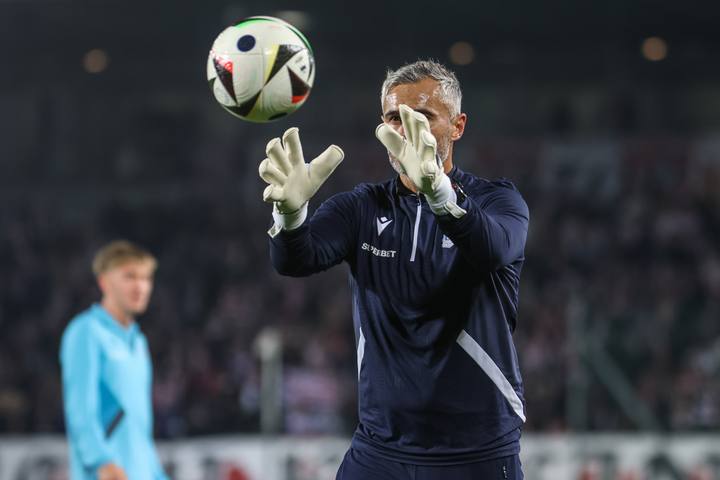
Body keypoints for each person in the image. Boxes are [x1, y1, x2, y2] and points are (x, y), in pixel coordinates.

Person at [258, 60, 529, 479]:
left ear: (457, 126)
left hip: (477, 453)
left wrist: (441, 194)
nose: (405, 129)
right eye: (394, 118)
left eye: (423, 116)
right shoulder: (361, 208)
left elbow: (491, 248)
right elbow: (294, 260)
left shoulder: (499, 201)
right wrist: (290, 218)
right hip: (379, 450)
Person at [60, 240, 168, 480]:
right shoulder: (86, 332)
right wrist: (102, 462)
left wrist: (157, 475)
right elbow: (80, 410)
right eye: (130, 276)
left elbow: (139, 429)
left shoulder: (139, 342)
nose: (140, 286)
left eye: (146, 278)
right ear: (104, 282)